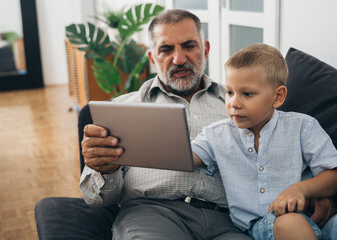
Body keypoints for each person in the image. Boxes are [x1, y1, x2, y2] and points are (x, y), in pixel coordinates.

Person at [34, 9, 336, 240]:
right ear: (153, 56)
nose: (179, 58)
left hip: (229, 222)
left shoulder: (246, 105)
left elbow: (284, 155)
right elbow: (95, 198)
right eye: (166, 49)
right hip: (154, 212)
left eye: (189, 46)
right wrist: (104, 167)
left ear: (205, 48)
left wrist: (315, 192)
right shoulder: (122, 109)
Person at [191, 43, 337, 240]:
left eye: (247, 94)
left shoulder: (303, 126)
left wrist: (299, 190)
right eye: (230, 92)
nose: (234, 103)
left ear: (278, 96)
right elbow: (184, 156)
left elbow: (333, 174)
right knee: (289, 222)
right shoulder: (216, 134)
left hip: (318, 218)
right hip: (267, 225)